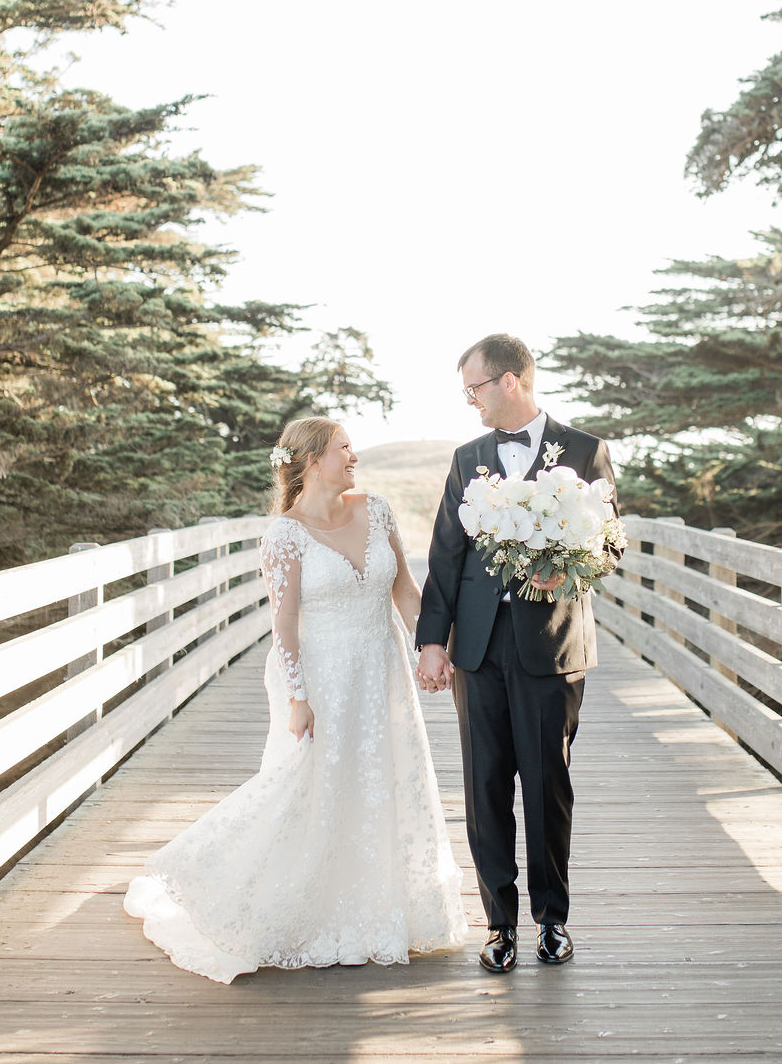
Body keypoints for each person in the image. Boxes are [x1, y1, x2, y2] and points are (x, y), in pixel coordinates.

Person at [123, 416, 467, 982]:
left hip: (382, 669)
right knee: (313, 785)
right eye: (343, 448)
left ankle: (383, 909)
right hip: (322, 674)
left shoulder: (377, 509)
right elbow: (283, 625)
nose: (354, 456)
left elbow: (405, 589)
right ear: (311, 461)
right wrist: (297, 698)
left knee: (384, 778)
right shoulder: (284, 534)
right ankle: (253, 889)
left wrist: (431, 650)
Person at [415, 334, 618, 973]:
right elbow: (446, 555)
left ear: (510, 381)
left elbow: (611, 544)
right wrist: (431, 642)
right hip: (477, 648)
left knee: (547, 785)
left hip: (551, 646)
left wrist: (571, 569)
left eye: (474, 389)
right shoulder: (467, 457)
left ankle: (552, 920)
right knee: (484, 787)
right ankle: (499, 924)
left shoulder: (586, 452)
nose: (469, 402)